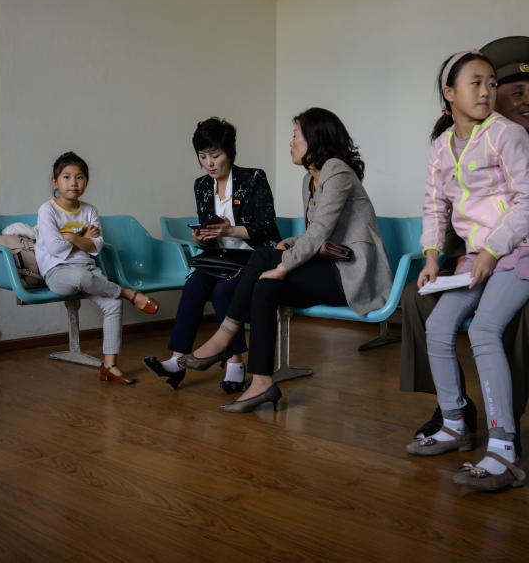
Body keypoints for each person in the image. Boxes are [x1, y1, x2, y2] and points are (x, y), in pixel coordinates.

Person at [398, 37, 529, 453]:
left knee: (527, 315)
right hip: (479, 260)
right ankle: (452, 409)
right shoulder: (456, 144)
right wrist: (447, 257)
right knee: (416, 298)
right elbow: (444, 209)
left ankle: (506, 418)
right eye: (516, 92)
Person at [178, 107, 392, 413]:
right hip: (330, 267)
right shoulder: (310, 180)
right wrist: (288, 245)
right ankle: (261, 383)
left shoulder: (338, 172)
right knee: (266, 287)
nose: (291, 143)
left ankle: (224, 337)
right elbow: (314, 234)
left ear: (315, 139)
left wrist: (282, 263)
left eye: (295, 136)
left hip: (353, 273)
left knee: (266, 259)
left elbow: (319, 234)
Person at [405, 50, 529, 492]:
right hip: (474, 259)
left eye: (490, 83)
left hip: (519, 252)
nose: (486, 91)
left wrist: (490, 250)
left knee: (484, 330)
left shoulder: (507, 135)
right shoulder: (441, 146)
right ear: (450, 94)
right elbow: (434, 205)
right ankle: (453, 424)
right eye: (475, 83)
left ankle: (504, 449)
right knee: (439, 326)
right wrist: (431, 257)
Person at [143, 118, 281, 392]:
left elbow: (267, 227)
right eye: (203, 156)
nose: (209, 162)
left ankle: (235, 362)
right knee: (194, 284)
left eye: (215, 155)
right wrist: (203, 237)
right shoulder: (201, 186)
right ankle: (178, 359)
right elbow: (211, 231)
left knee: (223, 291)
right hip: (221, 257)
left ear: (229, 152)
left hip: (255, 257)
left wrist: (231, 230)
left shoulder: (253, 178)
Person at [35, 151, 159, 385]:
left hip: (89, 273)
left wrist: (71, 237)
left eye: (80, 177)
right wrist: (83, 239)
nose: (73, 183)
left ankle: (110, 366)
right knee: (84, 277)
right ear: (55, 181)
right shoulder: (47, 210)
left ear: (87, 181)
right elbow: (53, 248)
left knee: (112, 304)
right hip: (57, 273)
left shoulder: (90, 210)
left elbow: (97, 247)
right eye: (67, 177)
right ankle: (128, 293)